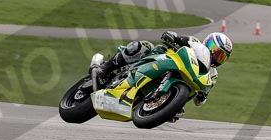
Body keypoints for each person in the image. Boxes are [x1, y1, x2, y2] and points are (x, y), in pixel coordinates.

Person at [94, 30, 233, 107]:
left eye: (221, 56)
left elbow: (199, 101)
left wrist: (202, 96)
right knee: (143, 46)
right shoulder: (195, 43)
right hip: (164, 58)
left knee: (180, 108)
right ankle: (105, 68)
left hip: (182, 82)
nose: (216, 56)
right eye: (215, 51)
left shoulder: (212, 75)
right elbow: (177, 38)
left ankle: (167, 104)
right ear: (207, 43)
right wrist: (172, 37)